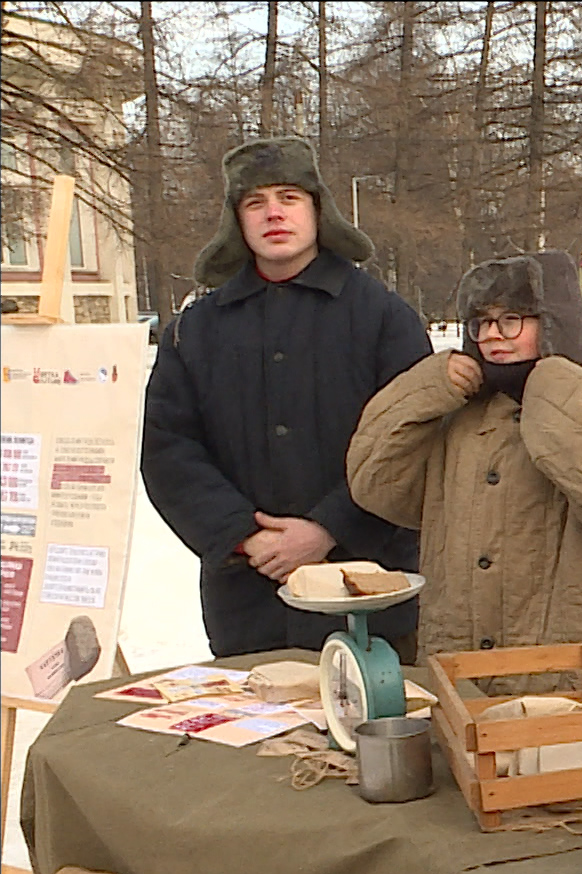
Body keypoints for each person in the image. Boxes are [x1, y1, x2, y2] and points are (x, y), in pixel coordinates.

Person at [142, 136, 429, 659]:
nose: (273, 213)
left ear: (318, 209)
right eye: (256, 202)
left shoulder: (384, 319)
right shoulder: (195, 332)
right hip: (249, 601)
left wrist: (327, 528)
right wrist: (244, 536)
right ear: (237, 220)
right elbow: (169, 452)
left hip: (369, 597)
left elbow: (413, 446)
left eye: (289, 197)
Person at [345, 251, 582, 667]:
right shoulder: (453, 428)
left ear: (554, 323)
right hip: (462, 679)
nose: (492, 335)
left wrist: (553, 381)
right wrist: (426, 387)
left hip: (574, 688)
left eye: (510, 320)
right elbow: (372, 481)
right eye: (482, 322)